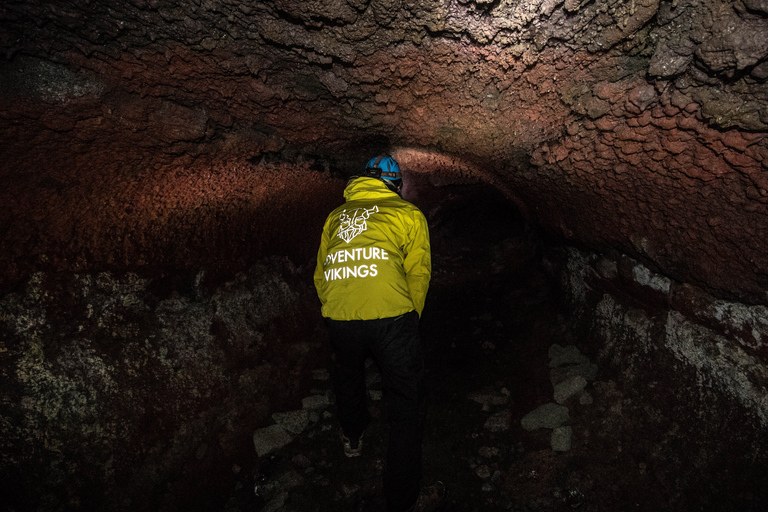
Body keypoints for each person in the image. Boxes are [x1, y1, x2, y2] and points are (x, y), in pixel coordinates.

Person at [314, 155, 446, 512]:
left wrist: (335, 308)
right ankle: (403, 496)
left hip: (340, 315)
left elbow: (321, 272)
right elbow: (418, 272)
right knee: (406, 399)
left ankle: (353, 436)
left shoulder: (336, 216)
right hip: (391, 315)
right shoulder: (407, 214)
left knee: (348, 373)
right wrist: (410, 316)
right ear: (394, 183)